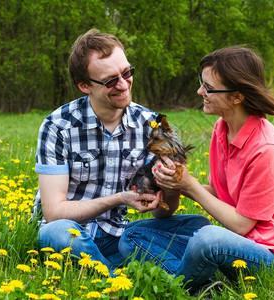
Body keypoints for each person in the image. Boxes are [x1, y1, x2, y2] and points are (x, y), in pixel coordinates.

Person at [32, 29, 210, 271]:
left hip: (120, 235)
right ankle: (121, 281)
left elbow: (161, 214)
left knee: (196, 225)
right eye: (109, 81)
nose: (123, 84)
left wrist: (170, 189)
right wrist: (120, 199)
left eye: (126, 73)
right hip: (70, 233)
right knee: (56, 232)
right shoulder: (58, 125)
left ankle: (105, 269)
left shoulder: (152, 124)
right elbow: (54, 212)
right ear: (85, 86)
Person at [146, 46, 274, 291]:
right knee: (134, 234)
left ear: (237, 96)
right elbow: (219, 192)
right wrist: (174, 183)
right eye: (201, 83)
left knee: (207, 239)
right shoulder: (221, 128)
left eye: (209, 88)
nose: (200, 91)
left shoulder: (268, 149)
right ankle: (205, 279)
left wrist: (190, 186)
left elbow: (241, 224)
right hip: (237, 242)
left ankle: (171, 289)